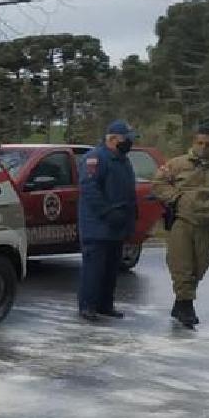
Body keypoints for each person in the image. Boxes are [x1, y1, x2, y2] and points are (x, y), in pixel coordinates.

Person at [151, 126, 209, 328]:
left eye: (208, 144)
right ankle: (186, 306)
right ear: (193, 143)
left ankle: (181, 302)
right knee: (181, 264)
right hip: (182, 220)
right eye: (199, 143)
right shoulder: (177, 164)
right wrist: (178, 198)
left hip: (206, 223)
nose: (203, 147)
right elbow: (158, 184)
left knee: (200, 265)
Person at [77, 120, 139, 322]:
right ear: (112, 139)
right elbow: (90, 190)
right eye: (126, 139)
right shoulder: (95, 158)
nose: (130, 143)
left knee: (111, 269)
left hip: (117, 225)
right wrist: (107, 212)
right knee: (94, 268)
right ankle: (88, 305)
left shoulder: (123, 160)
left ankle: (105, 305)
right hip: (97, 225)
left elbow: (129, 192)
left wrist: (130, 218)